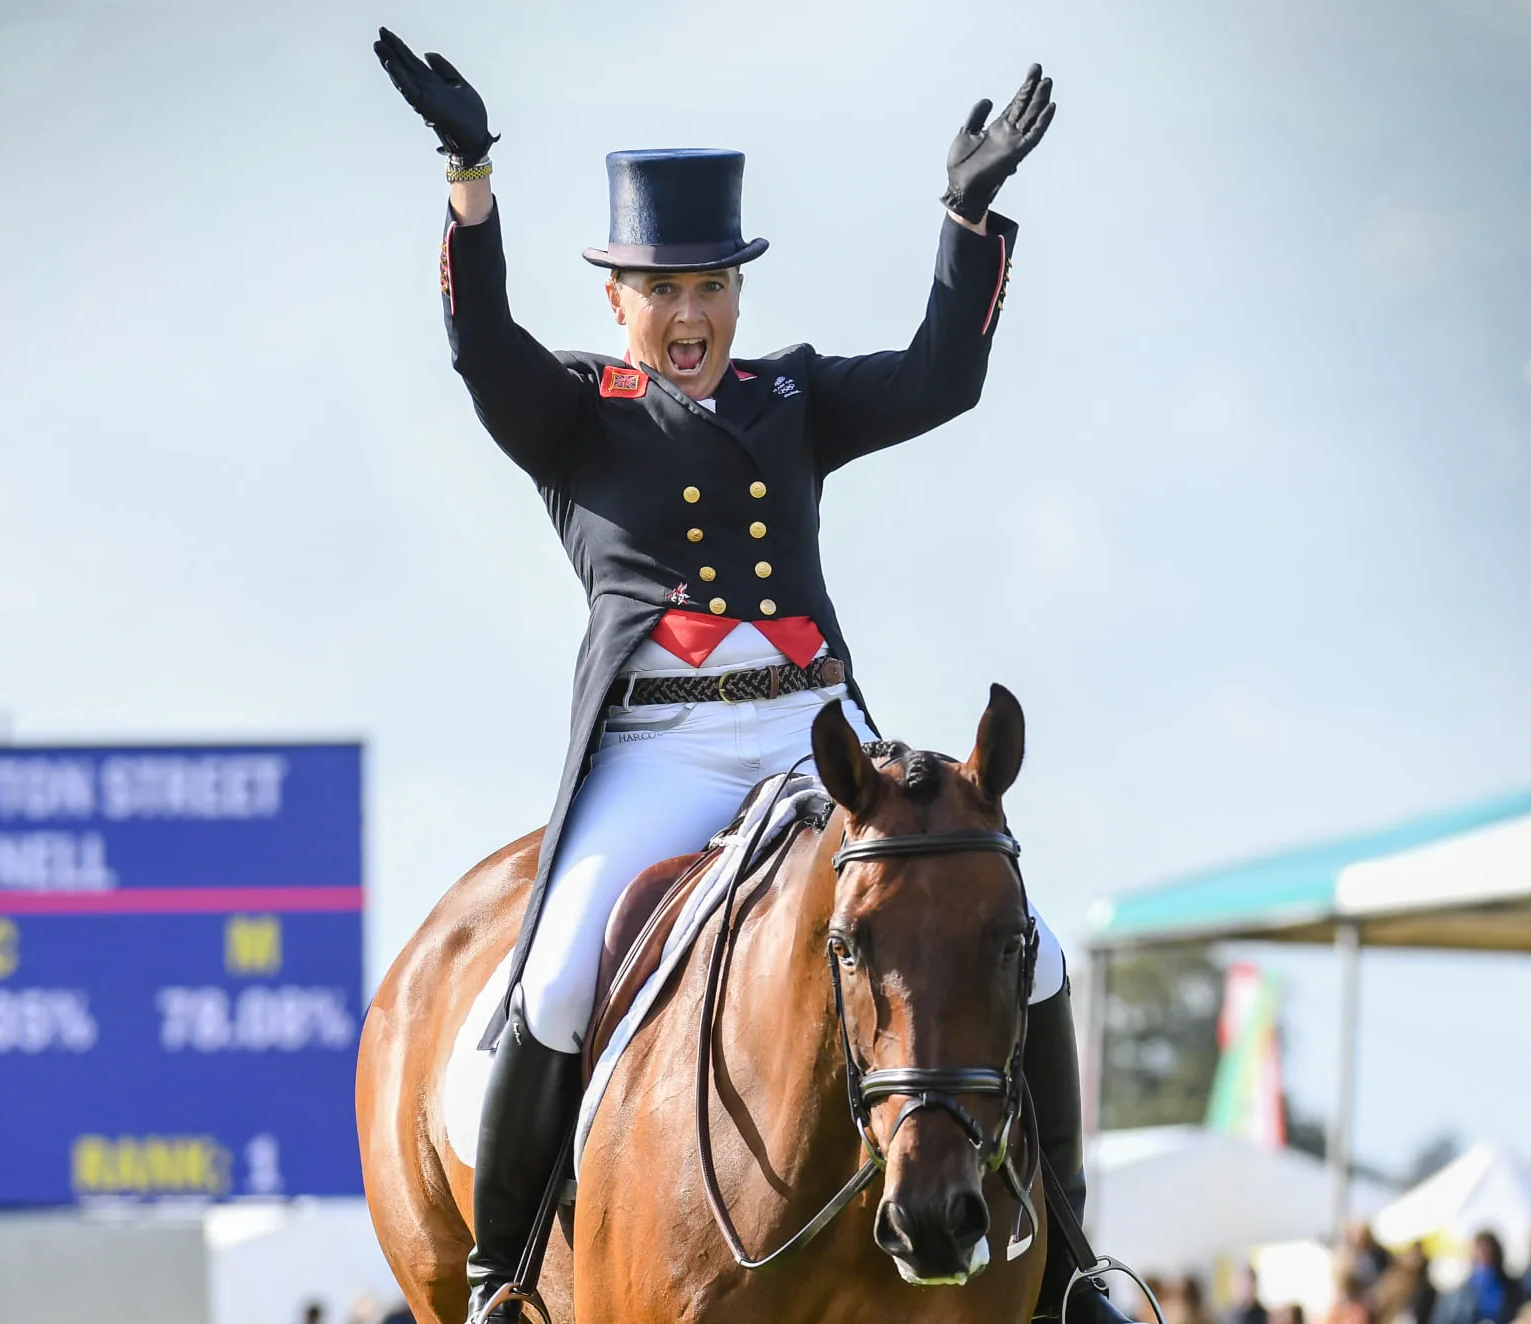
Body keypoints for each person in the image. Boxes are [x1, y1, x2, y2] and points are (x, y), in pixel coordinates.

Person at [371, 26, 1110, 1324]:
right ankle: (499, 1281)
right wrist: (470, 178)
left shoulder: (796, 400)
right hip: (659, 748)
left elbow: (945, 375)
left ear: (738, 296)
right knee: (548, 984)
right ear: (617, 301)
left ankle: (1072, 1272)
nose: (692, 314)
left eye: (712, 287)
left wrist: (967, 217)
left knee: (1033, 952)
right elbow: (480, 344)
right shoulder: (571, 413)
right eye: (663, 291)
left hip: (810, 738)